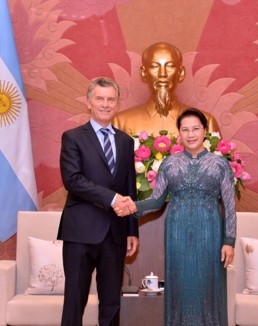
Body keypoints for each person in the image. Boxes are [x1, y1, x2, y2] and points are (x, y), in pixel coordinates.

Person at [114, 108, 236, 326]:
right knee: (179, 285)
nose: (191, 134)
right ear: (179, 133)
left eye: (196, 129)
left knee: (209, 286)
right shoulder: (169, 164)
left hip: (210, 233)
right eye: (185, 129)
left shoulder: (220, 165)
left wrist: (229, 242)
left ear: (205, 131)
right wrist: (132, 207)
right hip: (177, 233)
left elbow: (229, 204)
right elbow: (157, 200)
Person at [58, 77, 139, 326]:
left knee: (112, 303)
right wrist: (112, 198)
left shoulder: (126, 141)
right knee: (75, 301)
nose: (105, 104)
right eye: (100, 98)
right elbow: (73, 180)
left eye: (111, 99)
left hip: (114, 234)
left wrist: (132, 231)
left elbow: (129, 187)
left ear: (116, 104)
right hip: (80, 232)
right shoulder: (72, 137)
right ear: (89, 103)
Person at [112, 42, 220, 135]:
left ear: (181, 73)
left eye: (170, 66)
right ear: (143, 73)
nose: (162, 74)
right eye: (154, 66)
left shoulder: (205, 122)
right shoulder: (120, 122)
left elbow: (217, 159)